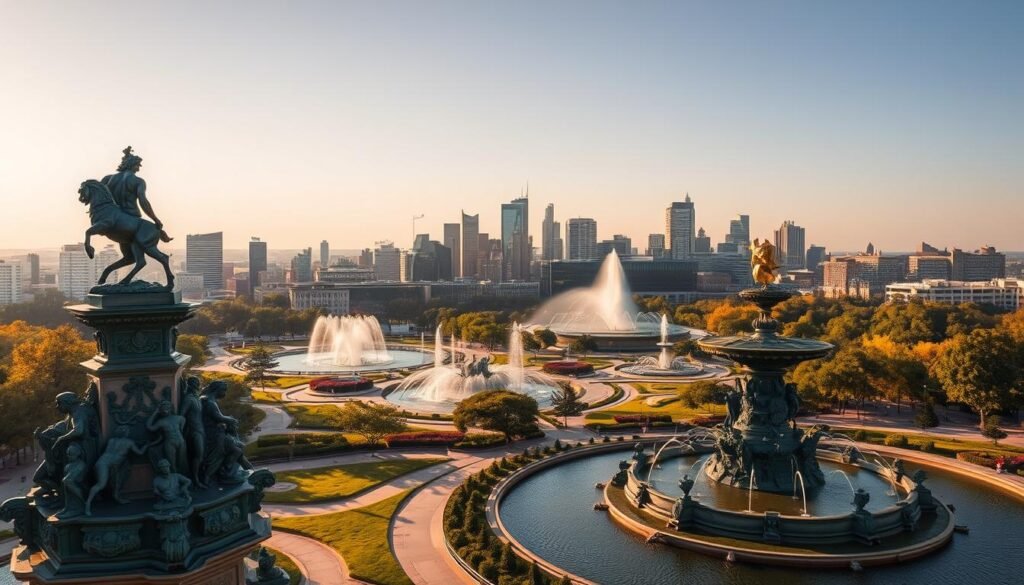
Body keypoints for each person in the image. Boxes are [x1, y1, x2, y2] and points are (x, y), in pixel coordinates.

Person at [101, 146, 171, 242]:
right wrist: (155, 219)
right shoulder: (138, 181)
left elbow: (99, 196)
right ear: (132, 165)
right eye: (138, 165)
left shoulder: (107, 179)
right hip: (131, 217)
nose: (139, 168)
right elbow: (143, 202)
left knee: (127, 249)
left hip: (113, 218)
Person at [85, 425, 157, 516]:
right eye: (128, 431)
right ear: (126, 433)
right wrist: (146, 445)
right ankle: (88, 503)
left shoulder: (111, 440)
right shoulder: (129, 442)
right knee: (101, 484)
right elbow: (140, 453)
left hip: (101, 462)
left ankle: (114, 496)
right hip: (107, 465)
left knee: (109, 481)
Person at [147, 400, 188, 475]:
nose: (165, 408)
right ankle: (174, 479)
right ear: (160, 410)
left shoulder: (181, 418)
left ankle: (181, 478)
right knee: (172, 464)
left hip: (181, 442)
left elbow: (182, 431)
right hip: (170, 443)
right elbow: (149, 427)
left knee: (182, 463)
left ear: (171, 408)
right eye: (163, 407)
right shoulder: (161, 422)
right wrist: (155, 413)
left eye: (167, 406)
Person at [179, 376, 206, 487]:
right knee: (198, 454)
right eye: (195, 383)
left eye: (198, 383)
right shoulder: (189, 399)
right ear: (190, 385)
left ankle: (200, 476)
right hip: (193, 430)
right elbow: (181, 415)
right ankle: (195, 479)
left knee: (201, 455)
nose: (198, 385)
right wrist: (180, 431)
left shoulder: (197, 398)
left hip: (201, 429)